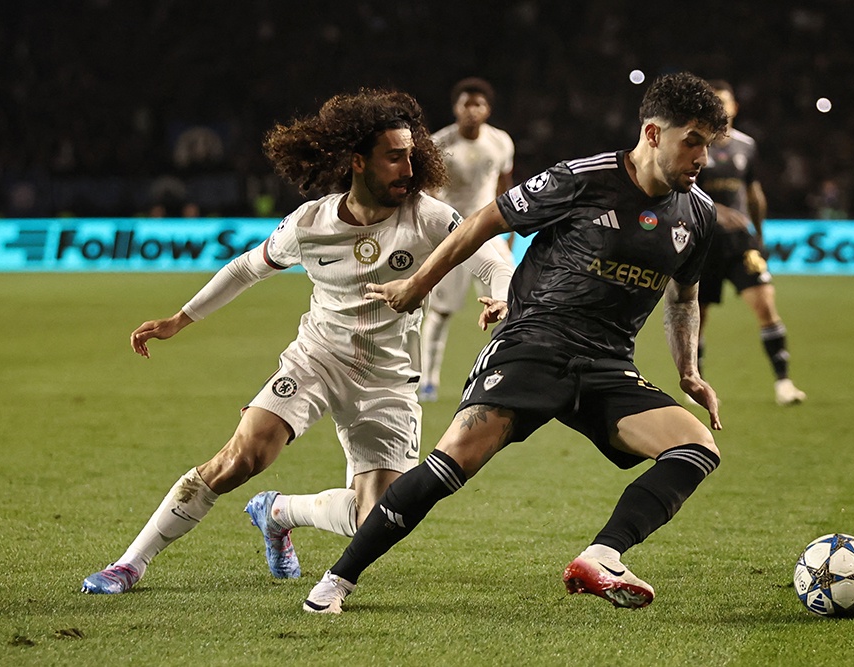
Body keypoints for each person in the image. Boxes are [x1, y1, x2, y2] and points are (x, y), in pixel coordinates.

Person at [299, 72, 729, 615]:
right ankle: (335, 582)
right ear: (652, 133)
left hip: (606, 366)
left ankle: (602, 555)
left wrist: (689, 372)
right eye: (692, 141)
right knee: (451, 465)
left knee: (696, 447)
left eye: (708, 145)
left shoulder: (698, 214)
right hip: (534, 345)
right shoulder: (581, 179)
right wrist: (419, 284)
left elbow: (684, 298)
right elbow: (483, 221)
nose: (702, 157)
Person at [80, 88, 514, 594]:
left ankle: (279, 512)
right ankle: (130, 563)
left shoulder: (429, 217)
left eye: (412, 155)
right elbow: (246, 268)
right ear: (357, 161)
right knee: (242, 457)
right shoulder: (311, 222)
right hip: (318, 358)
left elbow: (491, 258)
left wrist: (500, 295)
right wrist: (181, 318)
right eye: (394, 157)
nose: (409, 168)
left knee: (373, 518)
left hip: (388, 379)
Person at [695, 80, 806, 406]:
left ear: (734, 107)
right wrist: (715, 210)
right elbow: (679, 193)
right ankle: (695, 382)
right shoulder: (693, 144)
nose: (721, 107)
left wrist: (759, 236)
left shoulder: (746, 145)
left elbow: (754, 193)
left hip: (741, 243)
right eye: (714, 101)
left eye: (725, 101)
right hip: (702, 244)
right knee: (696, 318)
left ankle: (784, 382)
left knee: (766, 305)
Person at [419, 77, 516, 401]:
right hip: (451, 234)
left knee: (508, 304)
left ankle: (500, 374)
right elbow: (427, 192)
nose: (472, 110)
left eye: (479, 104)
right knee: (441, 311)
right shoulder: (439, 143)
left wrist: (509, 230)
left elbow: (504, 186)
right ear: (456, 108)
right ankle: (428, 380)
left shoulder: (500, 142)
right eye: (466, 104)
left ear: (487, 109)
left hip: (489, 232)